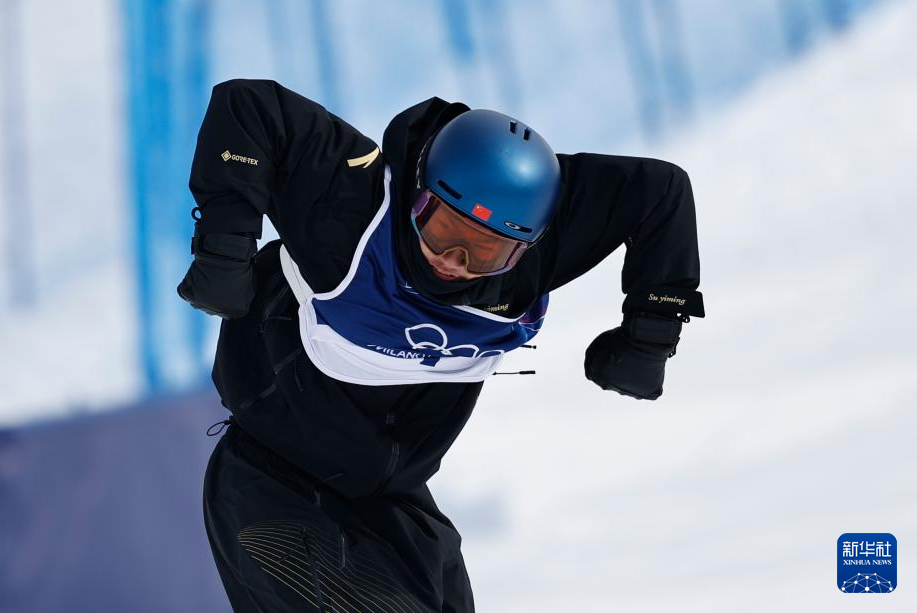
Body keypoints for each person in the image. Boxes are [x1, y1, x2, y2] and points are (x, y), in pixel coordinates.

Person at [178, 79, 704, 612]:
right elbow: (248, 105)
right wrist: (225, 245)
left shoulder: (546, 243)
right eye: (443, 229)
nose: (454, 261)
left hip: (396, 502)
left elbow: (662, 193)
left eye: (485, 251)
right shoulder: (352, 207)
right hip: (273, 487)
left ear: (527, 244)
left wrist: (651, 331)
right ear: (419, 194)